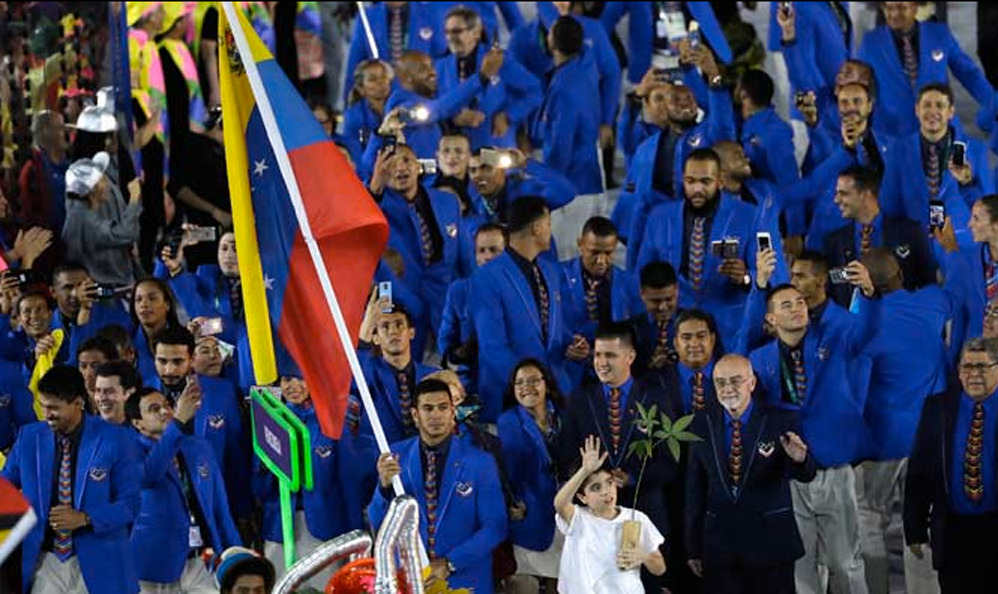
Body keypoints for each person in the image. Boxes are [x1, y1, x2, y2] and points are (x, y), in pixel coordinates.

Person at [747, 280, 878, 594]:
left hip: (834, 467)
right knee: (801, 565)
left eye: (800, 302)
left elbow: (866, 333)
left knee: (845, 562)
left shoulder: (833, 340)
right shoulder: (760, 358)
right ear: (770, 319)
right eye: (786, 305)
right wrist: (758, 288)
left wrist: (871, 297)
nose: (797, 308)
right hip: (790, 474)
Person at [855, 247, 959, 594]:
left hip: (883, 440)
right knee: (923, 521)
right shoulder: (932, 301)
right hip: (931, 439)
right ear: (899, 272)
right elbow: (953, 287)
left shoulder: (861, 324)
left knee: (870, 519)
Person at [559, 322, 680, 592]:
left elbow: (671, 462)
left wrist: (634, 479)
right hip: (594, 521)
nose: (601, 362)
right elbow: (566, 457)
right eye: (598, 355)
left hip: (645, 510)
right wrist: (591, 478)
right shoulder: (580, 399)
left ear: (630, 357)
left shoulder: (655, 397)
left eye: (610, 355)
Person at [1, 365, 141, 594]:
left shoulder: (117, 439)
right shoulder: (29, 438)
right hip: (44, 561)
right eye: (44, 406)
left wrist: (86, 518)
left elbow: (131, 503)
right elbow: (3, 487)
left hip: (100, 562)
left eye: (54, 408)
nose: (47, 415)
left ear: (78, 402)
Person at [685, 354, 817, 594]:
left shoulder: (780, 420)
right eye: (720, 382)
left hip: (771, 547)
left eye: (736, 381)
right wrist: (693, 546)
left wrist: (800, 459)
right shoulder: (699, 423)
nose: (727, 389)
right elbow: (695, 487)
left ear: (752, 383)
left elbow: (807, 474)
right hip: (720, 548)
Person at [370, 378, 507, 593]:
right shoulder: (395, 457)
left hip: (466, 580)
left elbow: (495, 526)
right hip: (409, 580)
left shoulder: (481, 462)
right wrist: (383, 488)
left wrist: (450, 563)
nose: (436, 415)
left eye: (443, 407)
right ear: (415, 415)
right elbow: (376, 521)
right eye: (428, 408)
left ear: (453, 412)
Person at [470, 197, 585, 423]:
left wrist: (571, 344)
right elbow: (492, 346)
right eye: (549, 224)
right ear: (537, 227)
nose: (550, 231)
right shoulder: (487, 277)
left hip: (556, 392)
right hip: (512, 397)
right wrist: (529, 386)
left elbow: (552, 328)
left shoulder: (550, 271)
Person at [256, 364, 362, 588]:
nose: (293, 386)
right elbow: (259, 488)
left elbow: (349, 483)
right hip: (280, 529)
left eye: (300, 378)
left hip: (325, 528)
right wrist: (265, 467)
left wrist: (355, 534)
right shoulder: (269, 422)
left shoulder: (332, 422)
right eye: (286, 380)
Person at [905, 337, 998, 593]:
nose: (974, 374)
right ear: (958, 371)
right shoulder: (938, 407)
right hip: (954, 531)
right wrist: (914, 527)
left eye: (982, 367)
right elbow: (919, 470)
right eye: (967, 367)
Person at [126, 386, 241, 593]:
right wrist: (177, 422)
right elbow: (149, 476)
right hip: (154, 566)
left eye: (167, 405)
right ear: (138, 423)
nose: (165, 412)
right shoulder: (129, 451)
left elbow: (219, 506)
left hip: (202, 560)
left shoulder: (199, 447)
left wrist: (236, 554)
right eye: (154, 409)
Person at [636, 149, 760, 339]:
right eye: (691, 181)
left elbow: (768, 272)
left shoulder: (750, 216)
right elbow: (642, 272)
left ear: (720, 181)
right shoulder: (659, 217)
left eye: (705, 182)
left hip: (730, 325)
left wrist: (745, 277)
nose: (697, 189)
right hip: (675, 324)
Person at [617, 58, 735, 255]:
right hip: (653, 228)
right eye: (666, 100)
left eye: (688, 99)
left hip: (699, 224)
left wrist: (714, 78)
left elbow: (723, 123)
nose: (681, 105)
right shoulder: (646, 146)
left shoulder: (707, 135)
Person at [368, 143, 472, 351]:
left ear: (419, 165)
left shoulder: (447, 202)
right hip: (402, 307)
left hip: (444, 305)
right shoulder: (373, 206)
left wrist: (470, 304)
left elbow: (465, 260)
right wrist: (375, 186)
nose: (400, 168)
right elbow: (360, 219)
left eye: (406, 160)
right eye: (391, 163)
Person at [150, 327, 249, 520]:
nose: (169, 370)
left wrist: (242, 512)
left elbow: (236, 456)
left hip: (214, 508)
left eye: (177, 361)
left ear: (192, 360)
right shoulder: (143, 394)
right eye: (162, 361)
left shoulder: (223, 392)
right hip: (164, 514)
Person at [858, 2, 995, 138]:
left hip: (942, 131)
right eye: (888, 8)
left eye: (901, 7)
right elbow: (858, 88)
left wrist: (993, 102)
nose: (894, 14)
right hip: (891, 137)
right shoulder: (870, 42)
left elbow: (969, 74)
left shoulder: (940, 34)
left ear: (915, 6)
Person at [554, 435, 666, 594]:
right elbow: (559, 503)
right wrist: (584, 470)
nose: (606, 491)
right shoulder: (578, 518)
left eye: (609, 482)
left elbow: (660, 569)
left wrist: (644, 556)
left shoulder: (637, 518)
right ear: (582, 497)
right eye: (596, 488)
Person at [349, 302, 438, 498]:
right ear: (375, 338)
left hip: (428, 477)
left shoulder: (434, 377)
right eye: (385, 327)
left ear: (412, 333)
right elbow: (350, 384)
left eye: (399, 325)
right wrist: (363, 335)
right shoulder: (366, 374)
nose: (393, 332)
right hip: (381, 477)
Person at [530, 16, 603, 255]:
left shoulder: (564, 86)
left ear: (553, 42)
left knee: (566, 261)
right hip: (587, 178)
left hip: (572, 187)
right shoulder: (581, 74)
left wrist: (548, 185)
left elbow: (560, 145)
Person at [880, 83, 993, 235]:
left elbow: (989, 206)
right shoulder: (898, 151)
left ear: (951, 112)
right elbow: (890, 205)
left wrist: (967, 183)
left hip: (961, 244)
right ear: (917, 110)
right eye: (927, 105)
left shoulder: (975, 151)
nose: (933, 111)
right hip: (917, 244)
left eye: (940, 105)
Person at [498, 359, 565, 594]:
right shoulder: (508, 421)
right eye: (519, 382)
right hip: (530, 516)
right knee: (525, 585)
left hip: (566, 518)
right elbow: (508, 471)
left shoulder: (563, 414)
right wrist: (513, 504)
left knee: (563, 586)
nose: (526, 387)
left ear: (546, 383)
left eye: (533, 380)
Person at [826, 166, 937, 307]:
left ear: (865, 194)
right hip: (854, 325)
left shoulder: (909, 233)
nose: (836, 200)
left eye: (843, 194)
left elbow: (928, 286)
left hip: (900, 320)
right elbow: (834, 286)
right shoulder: (835, 241)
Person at [436, 6, 542, 150]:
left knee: (493, 171)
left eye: (456, 31)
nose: (450, 38)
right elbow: (436, 107)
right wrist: (454, 119)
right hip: (458, 156)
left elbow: (535, 91)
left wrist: (508, 116)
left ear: (476, 32)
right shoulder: (440, 67)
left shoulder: (499, 60)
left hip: (493, 148)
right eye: (446, 32)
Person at [560, 217, 643, 361]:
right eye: (594, 252)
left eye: (608, 253)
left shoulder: (630, 283)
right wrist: (566, 347)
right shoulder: (556, 276)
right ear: (580, 244)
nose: (601, 261)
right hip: (569, 369)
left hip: (613, 368)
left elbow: (639, 332)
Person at [437, 223, 507, 385]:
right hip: (473, 381)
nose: (487, 257)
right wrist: (460, 354)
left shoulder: (522, 288)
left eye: (494, 250)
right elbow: (445, 341)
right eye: (481, 251)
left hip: (515, 380)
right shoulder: (459, 290)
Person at [61, 152, 143, 288]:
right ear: (91, 188)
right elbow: (126, 234)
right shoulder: (83, 218)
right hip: (98, 295)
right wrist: (134, 198)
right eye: (102, 178)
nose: (108, 184)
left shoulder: (82, 213)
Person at [344, 1, 448, 98]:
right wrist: (348, 105)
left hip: (423, 97)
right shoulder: (367, 17)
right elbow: (355, 65)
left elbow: (441, 58)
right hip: (381, 99)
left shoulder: (431, 13)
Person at [466, 147, 576, 230]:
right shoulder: (474, 205)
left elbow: (566, 192)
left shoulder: (525, 192)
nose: (478, 175)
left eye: (486, 168)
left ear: (502, 169)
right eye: (473, 170)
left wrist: (525, 164)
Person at [18, 110, 70, 238]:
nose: (65, 134)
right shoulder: (32, 170)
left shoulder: (67, 163)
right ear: (47, 132)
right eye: (61, 128)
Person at [627, 261, 681, 378]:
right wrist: (649, 367)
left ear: (677, 290)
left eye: (668, 299)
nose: (663, 307)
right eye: (655, 301)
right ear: (642, 293)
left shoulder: (696, 323)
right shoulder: (631, 329)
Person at [130, 278, 183, 386]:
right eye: (138, 299)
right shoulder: (128, 344)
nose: (144, 304)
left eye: (152, 298)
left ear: (167, 304)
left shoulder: (186, 338)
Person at [342, 59, 392, 155]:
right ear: (361, 88)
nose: (381, 82)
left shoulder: (400, 106)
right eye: (373, 79)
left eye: (384, 76)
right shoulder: (353, 116)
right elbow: (353, 152)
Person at [93, 360, 141, 426]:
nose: (101, 398)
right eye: (98, 391)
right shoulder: (86, 430)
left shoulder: (144, 432)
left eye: (109, 391)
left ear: (129, 393)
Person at [76, 337, 116, 405]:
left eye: (95, 366)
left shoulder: (123, 401)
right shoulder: (73, 402)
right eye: (83, 366)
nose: (88, 373)